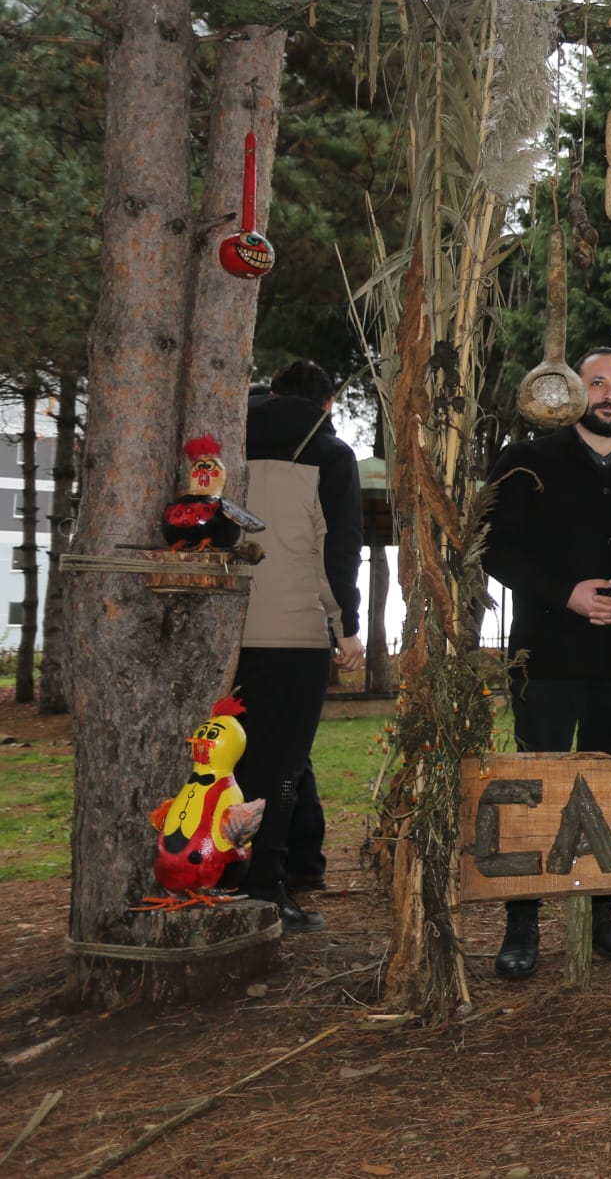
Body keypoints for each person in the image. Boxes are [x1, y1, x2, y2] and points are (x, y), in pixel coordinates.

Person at [481, 346, 611, 979]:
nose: (609, 394)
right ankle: (521, 924)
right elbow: (495, 547)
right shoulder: (526, 461)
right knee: (537, 790)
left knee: (607, 789)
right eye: (597, 383)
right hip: (546, 652)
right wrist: (564, 593)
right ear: (572, 392)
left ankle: (605, 917)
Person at [234, 360, 364, 933]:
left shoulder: (229, 435)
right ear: (327, 404)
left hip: (223, 626)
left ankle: (272, 865)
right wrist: (346, 627)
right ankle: (264, 885)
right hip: (294, 629)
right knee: (281, 765)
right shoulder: (330, 453)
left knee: (230, 754)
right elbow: (337, 549)